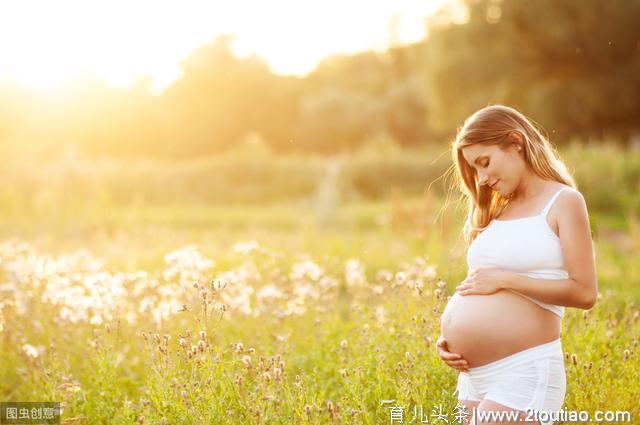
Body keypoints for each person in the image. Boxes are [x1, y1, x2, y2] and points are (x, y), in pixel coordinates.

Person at [436, 104, 598, 425]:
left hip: (524, 370)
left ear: (515, 142)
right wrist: (449, 340)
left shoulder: (564, 202)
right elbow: (481, 283)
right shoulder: (497, 211)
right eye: (475, 170)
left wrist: (505, 280)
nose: (482, 178)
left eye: (485, 163)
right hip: (473, 377)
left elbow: (585, 293)